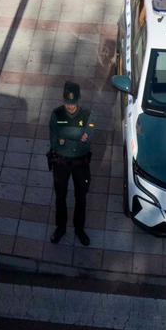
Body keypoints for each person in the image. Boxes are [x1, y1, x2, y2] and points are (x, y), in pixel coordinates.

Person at [47, 79, 94, 246]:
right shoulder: (56, 114)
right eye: (67, 103)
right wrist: (77, 137)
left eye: (73, 103)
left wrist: (66, 137)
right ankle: (60, 228)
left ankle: (79, 229)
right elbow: (55, 141)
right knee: (60, 197)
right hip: (61, 162)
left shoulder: (87, 115)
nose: (70, 107)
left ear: (78, 100)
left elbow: (89, 134)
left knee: (81, 197)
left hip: (80, 163)